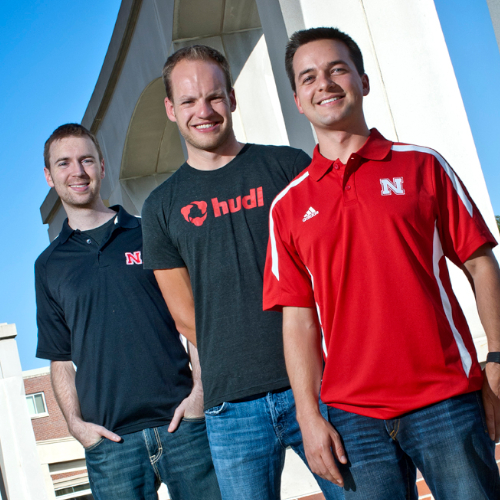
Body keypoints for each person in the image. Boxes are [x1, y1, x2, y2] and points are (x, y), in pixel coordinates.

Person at [263, 26, 500, 499]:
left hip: (445, 398)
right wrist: (309, 417)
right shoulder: (287, 206)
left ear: (363, 81)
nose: (324, 84)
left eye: (337, 70)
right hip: (352, 418)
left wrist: (496, 357)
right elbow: (299, 321)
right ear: (297, 100)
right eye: (308, 77)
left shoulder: (422, 166)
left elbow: (480, 264)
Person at [141, 45, 344, 500]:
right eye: (189, 101)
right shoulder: (159, 208)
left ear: (232, 97)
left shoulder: (289, 167)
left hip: (319, 386)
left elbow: (332, 270)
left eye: (213, 97)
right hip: (230, 407)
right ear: (172, 110)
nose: (204, 111)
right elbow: (183, 314)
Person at [35, 123, 221, 500]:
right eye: (65, 163)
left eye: (87, 160)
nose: (78, 171)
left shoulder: (148, 232)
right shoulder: (48, 266)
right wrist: (75, 425)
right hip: (110, 444)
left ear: (102, 166)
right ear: (49, 176)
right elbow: (60, 359)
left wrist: (200, 391)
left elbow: (192, 316)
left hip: (182, 425)